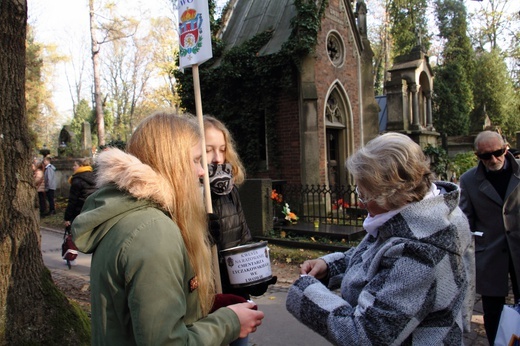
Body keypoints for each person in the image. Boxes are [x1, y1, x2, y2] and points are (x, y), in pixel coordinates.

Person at [71, 111, 264, 344]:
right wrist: (229, 322)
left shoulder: (128, 214)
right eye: (195, 160)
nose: (202, 171)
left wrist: (204, 304)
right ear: (172, 162)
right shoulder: (153, 233)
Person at [286, 132, 472, 345]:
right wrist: (331, 267)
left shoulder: (419, 251)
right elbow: (377, 258)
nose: (362, 203)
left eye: (364, 194)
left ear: (393, 194)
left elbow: (365, 335)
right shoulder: (427, 216)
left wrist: (305, 290)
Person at [203, 115, 276, 346]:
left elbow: (243, 238)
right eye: (208, 150)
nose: (217, 158)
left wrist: (254, 276)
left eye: (222, 149)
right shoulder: (187, 194)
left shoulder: (229, 190)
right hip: (205, 304)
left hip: (234, 299)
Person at [459, 130, 520, 345]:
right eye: (486, 156)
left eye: (498, 152)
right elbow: (465, 220)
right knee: (492, 311)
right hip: (491, 253)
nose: (493, 159)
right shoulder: (468, 180)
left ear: (506, 147)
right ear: (477, 156)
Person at [64, 158, 97, 228]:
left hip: (79, 212)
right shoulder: (94, 177)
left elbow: (72, 201)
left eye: (75, 165)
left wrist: (67, 218)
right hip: (93, 210)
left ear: (81, 166)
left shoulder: (77, 180)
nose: (73, 167)